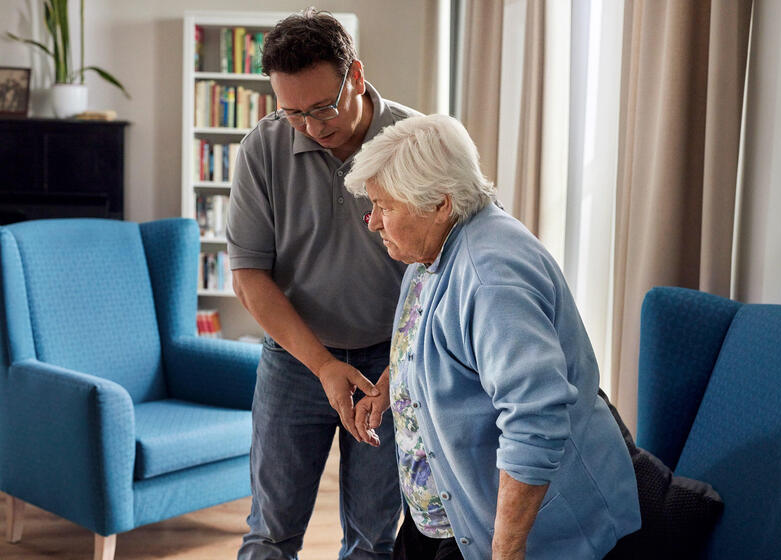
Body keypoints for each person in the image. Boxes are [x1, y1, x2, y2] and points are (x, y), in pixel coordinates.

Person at [344, 114, 642, 560]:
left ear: (440, 203)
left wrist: (506, 549)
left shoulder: (491, 277)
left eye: (385, 207)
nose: (373, 222)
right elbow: (434, 343)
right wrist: (393, 387)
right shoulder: (432, 251)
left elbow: (534, 417)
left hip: (510, 535)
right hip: (448, 516)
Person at [226, 9, 420, 560]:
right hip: (295, 359)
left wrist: (404, 364)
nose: (310, 126)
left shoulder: (414, 143)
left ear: (355, 75)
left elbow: (447, 270)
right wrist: (323, 365)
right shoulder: (262, 148)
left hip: (389, 362)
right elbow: (248, 276)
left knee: (373, 541)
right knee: (270, 533)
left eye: (321, 108)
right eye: (292, 112)